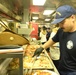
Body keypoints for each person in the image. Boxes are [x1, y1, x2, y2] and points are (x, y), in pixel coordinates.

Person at [33, 5, 76, 75]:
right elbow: (53, 40)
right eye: (59, 23)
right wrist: (42, 47)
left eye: (62, 22)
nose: (60, 26)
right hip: (61, 69)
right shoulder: (61, 31)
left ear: (72, 18)